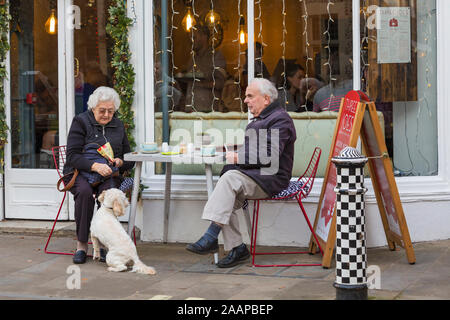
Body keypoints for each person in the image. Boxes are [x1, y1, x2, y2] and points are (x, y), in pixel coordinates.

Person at [186, 78, 297, 268]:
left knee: (228, 180)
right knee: (225, 194)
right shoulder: (265, 118)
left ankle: (212, 235)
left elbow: (269, 155)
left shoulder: (280, 120)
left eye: (250, 96)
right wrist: (222, 147)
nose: (245, 100)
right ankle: (237, 248)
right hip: (256, 175)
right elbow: (252, 147)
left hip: (271, 179)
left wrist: (237, 158)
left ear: (266, 99)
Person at [63, 86, 135, 264]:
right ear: (93, 108)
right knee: (85, 193)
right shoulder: (80, 122)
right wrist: (94, 166)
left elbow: (128, 156)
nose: (106, 115)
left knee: (110, 193)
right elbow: (72, 156)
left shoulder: (118, 125)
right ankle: (81, 245)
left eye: (111, 111)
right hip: (79, 172)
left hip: (108, 175)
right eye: (102, 110)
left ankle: (104, 243)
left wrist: (120, 161)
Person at [184, 25, 227, 112]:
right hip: (190, 111)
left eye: (194, 37)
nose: (191, 41)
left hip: (209, 112)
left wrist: (201, 84)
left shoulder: (216, 56)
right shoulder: (192, 59)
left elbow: (220, 83)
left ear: (204, 37)